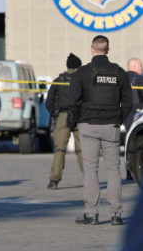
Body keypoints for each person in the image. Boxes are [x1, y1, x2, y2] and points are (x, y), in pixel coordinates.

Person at [69, 35, 132, 226]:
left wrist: (79, 119)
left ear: (92, 49)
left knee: (91, 169)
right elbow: (128, 103)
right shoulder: (119, 72)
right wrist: (118, 119)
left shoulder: (82, 73)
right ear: (108, 50)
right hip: (111, 125)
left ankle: (91, 214)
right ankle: (116, 214)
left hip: (89, 124)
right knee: (113, 169)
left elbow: (73, 102)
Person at [45, 53, 84, 190]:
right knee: (83, 150)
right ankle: (90, 178)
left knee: (60, 149)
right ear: (78, 67)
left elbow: (49, 102)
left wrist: (55, 115)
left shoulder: (58, 80)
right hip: (80, 116)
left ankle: (54, 180)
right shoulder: (82, 81)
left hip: (62, 115)